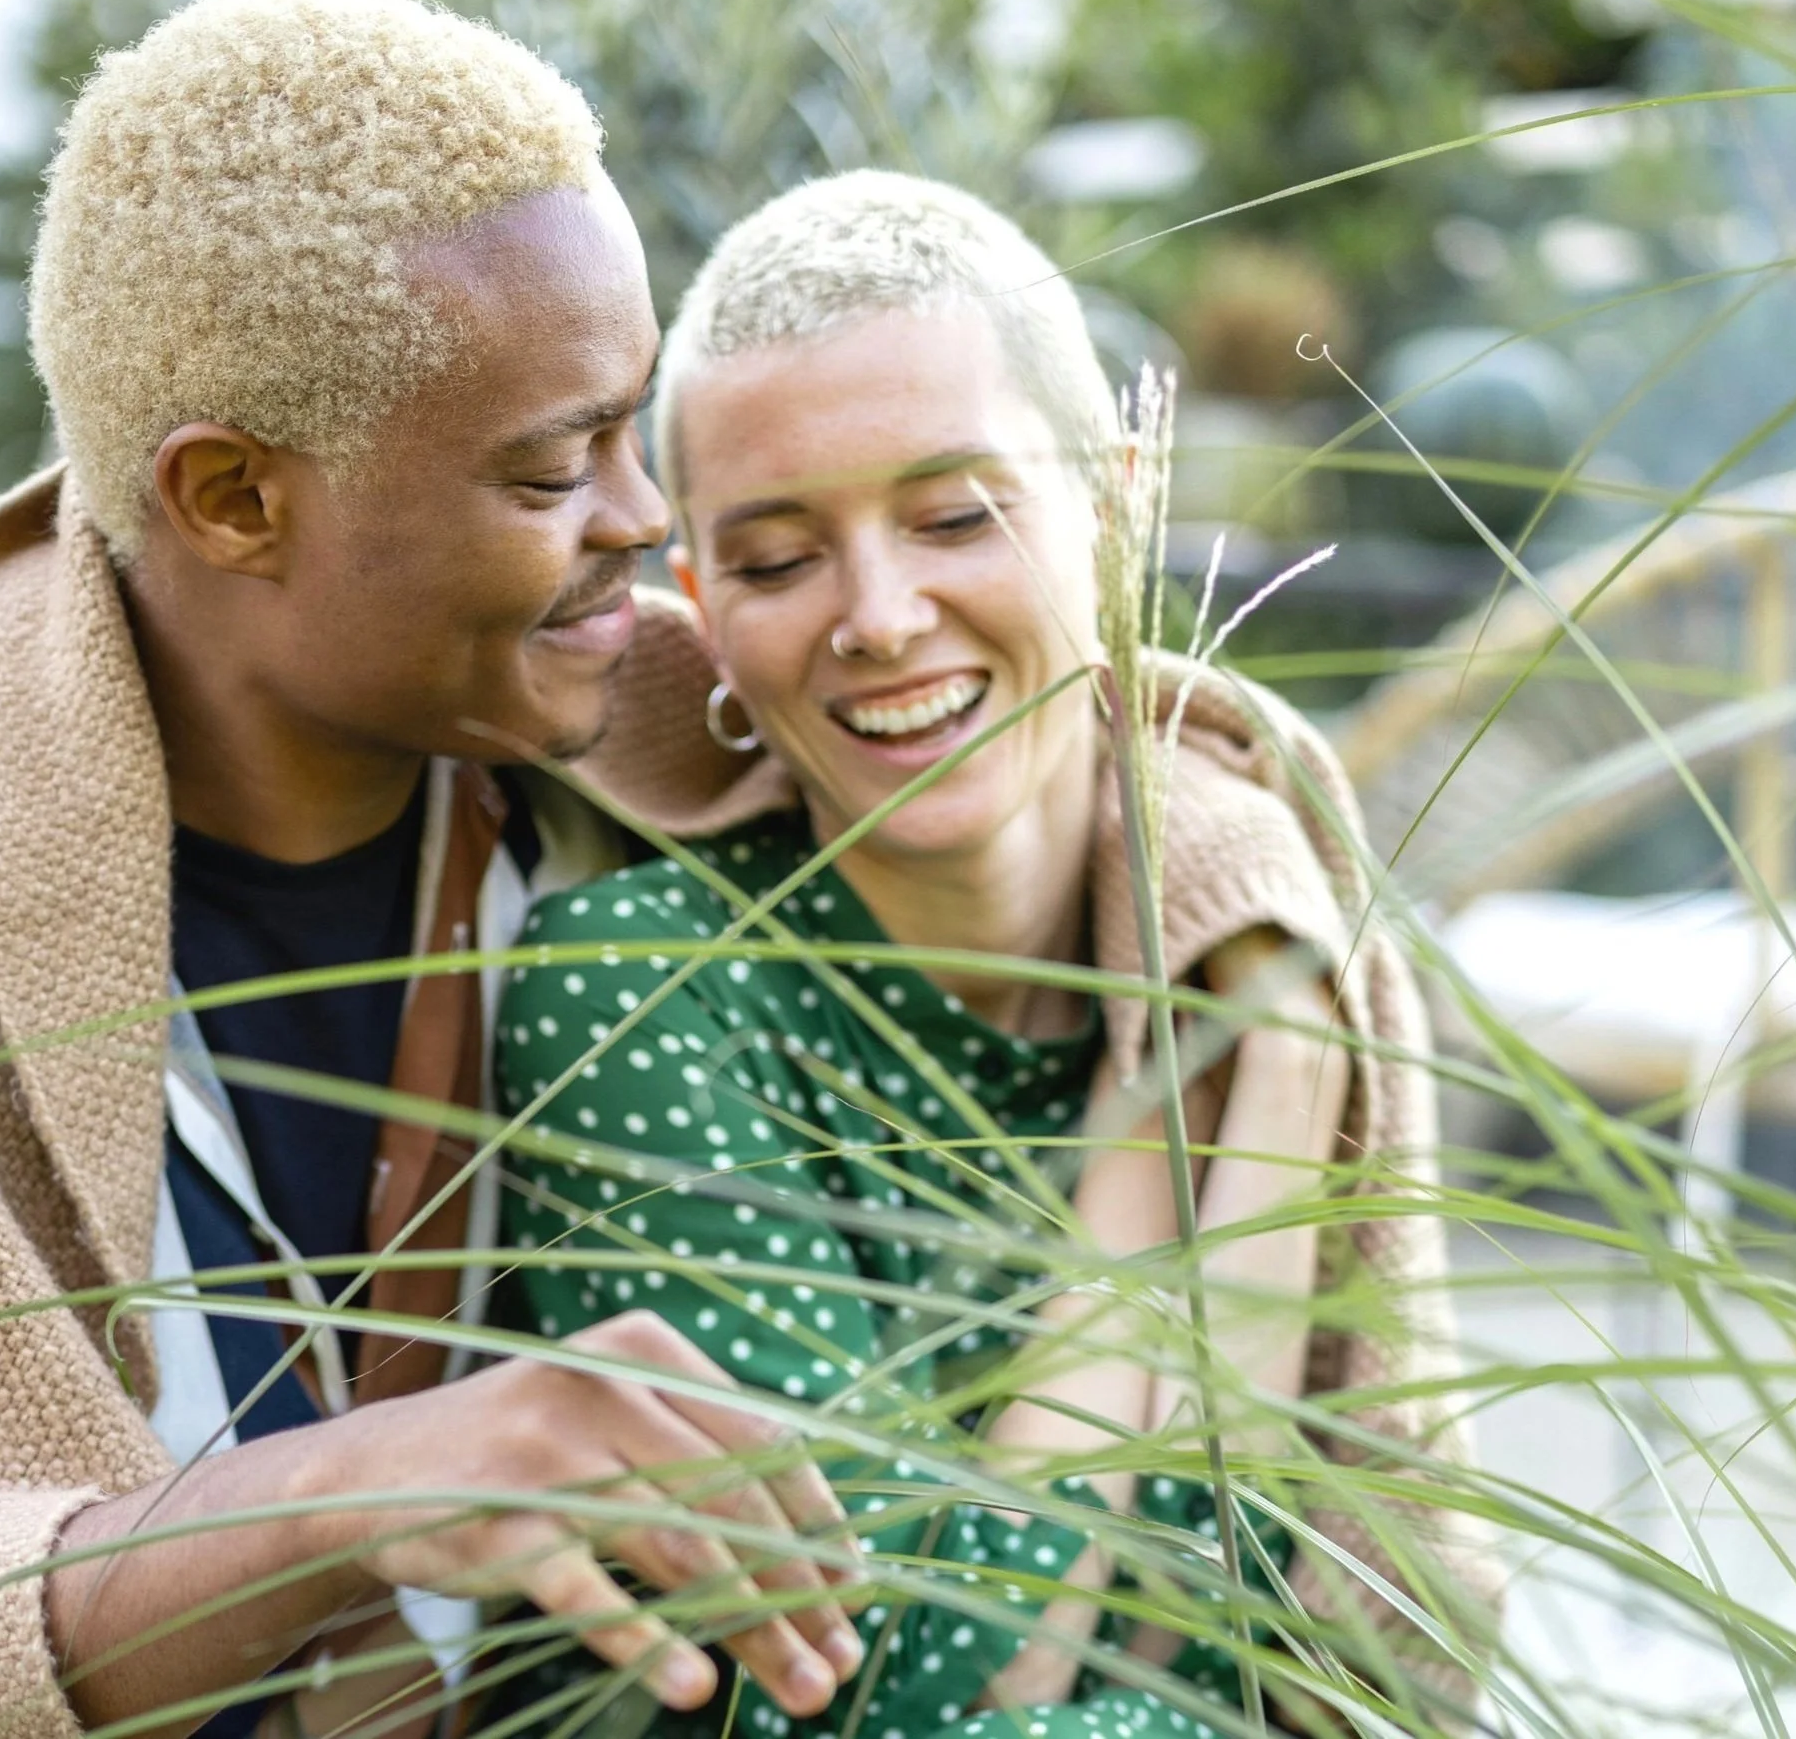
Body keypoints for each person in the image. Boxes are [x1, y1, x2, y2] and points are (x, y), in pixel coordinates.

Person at [0, 0, 873, 1739]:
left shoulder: (640, 704)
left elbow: (1101, 737)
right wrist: (372, 1486)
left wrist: (1246, 900)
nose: (643, 521)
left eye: (632, 425)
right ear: (232, 497)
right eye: (555, 465)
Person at [493, 173, 1497, 1739]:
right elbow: (879, 1695)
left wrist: (1285, 1059)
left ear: (1120, 502)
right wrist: (1157, 1156)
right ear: (697, 603)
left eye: (957, 516)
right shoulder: (647, 995)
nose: (882, 617)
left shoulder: (1275, 953)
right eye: (773, 560)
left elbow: (1367, 1650)